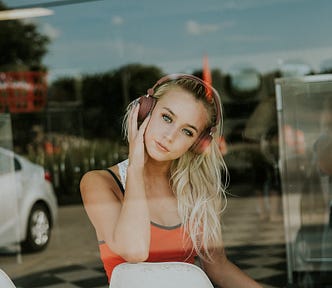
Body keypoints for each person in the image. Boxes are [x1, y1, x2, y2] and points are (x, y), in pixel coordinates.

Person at [80, 74, 262, 288]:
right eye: (167, 118)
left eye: (187, 131)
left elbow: (219, 267)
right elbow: (135, 250)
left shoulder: (196, 191)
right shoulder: (99, 183)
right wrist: (136, 166)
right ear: (145, 111)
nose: (170, 136)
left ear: (197, 144)